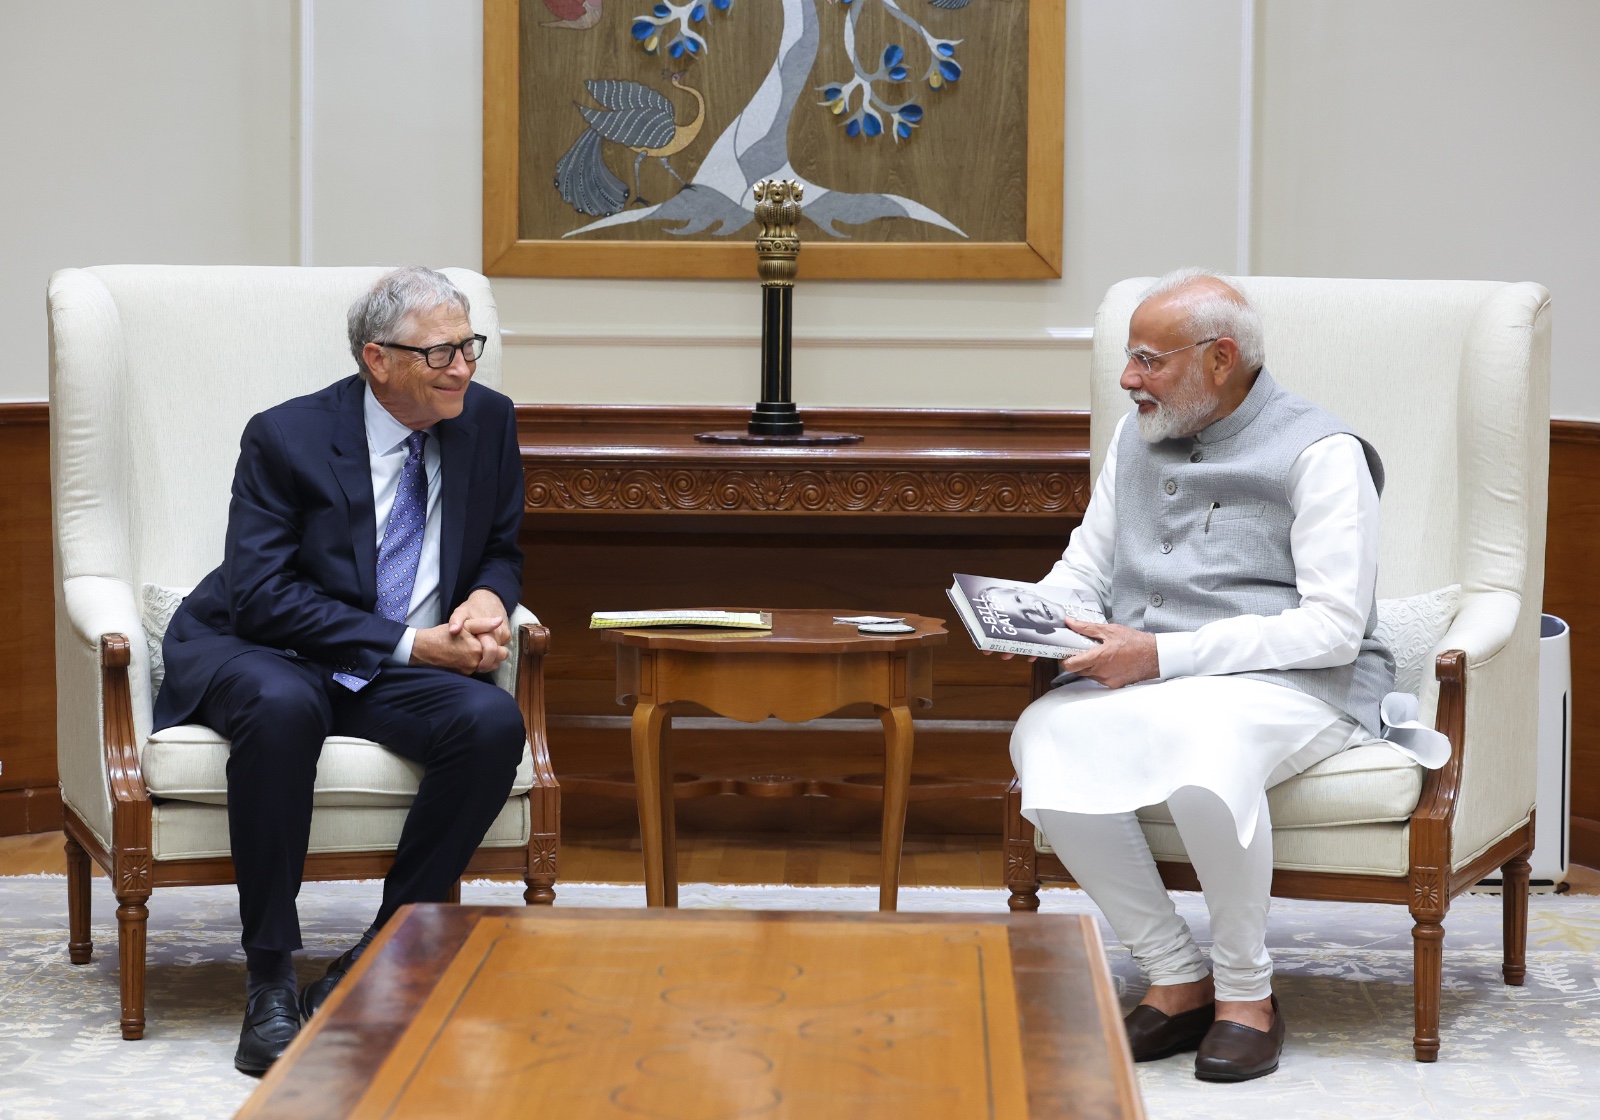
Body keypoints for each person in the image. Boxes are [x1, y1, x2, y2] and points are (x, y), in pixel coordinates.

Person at [1006, 268, 1416, 1083]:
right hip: (1159, 678)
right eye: (1129, 359)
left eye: (1148, 361)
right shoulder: (1136, 436)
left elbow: (1333, 629)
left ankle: (1246, 996)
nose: (1129, 379)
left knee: (1207, 749)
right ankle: (1176, 976)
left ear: (1220, 358)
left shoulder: (1323, 452)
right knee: (1042, 736)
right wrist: (1027, 615)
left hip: (1294, 684)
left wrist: (1157, 656)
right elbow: (1083, 568)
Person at [152, 267, 529, 1075]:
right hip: (263, 645)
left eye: (470, 346)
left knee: (492, 721)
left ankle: (387, 949)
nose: (463, 367)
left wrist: (490, 599)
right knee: (284, 707)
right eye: (440, 354)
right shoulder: (286, 437)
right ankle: (270, 980)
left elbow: (500, 546)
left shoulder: (487, 421)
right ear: (377, 359)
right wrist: (414, 643)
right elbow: (261, 597)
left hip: (383, 661)